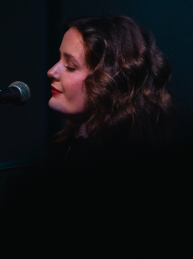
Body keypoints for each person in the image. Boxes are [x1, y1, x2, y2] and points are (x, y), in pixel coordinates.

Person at [46, 15, 175, 156]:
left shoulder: (120, 160)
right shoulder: (63, 150)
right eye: (59, 59)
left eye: (70, 66)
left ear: (110, 82)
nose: (51, 72)